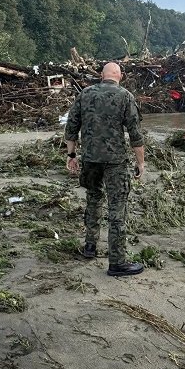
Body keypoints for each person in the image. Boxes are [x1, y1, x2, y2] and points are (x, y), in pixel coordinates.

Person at [64, 62, 146, 277]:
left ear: (101, 75)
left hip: (90, 159)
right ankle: (117, 262)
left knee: (93, 199)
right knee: (117, 208)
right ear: (120, 75)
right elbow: (135, 134)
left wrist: (71, 155)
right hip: (115, 161)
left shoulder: (85, 94)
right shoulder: (125, 96)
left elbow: (71, 127)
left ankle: (90, 246)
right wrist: (140, 163)